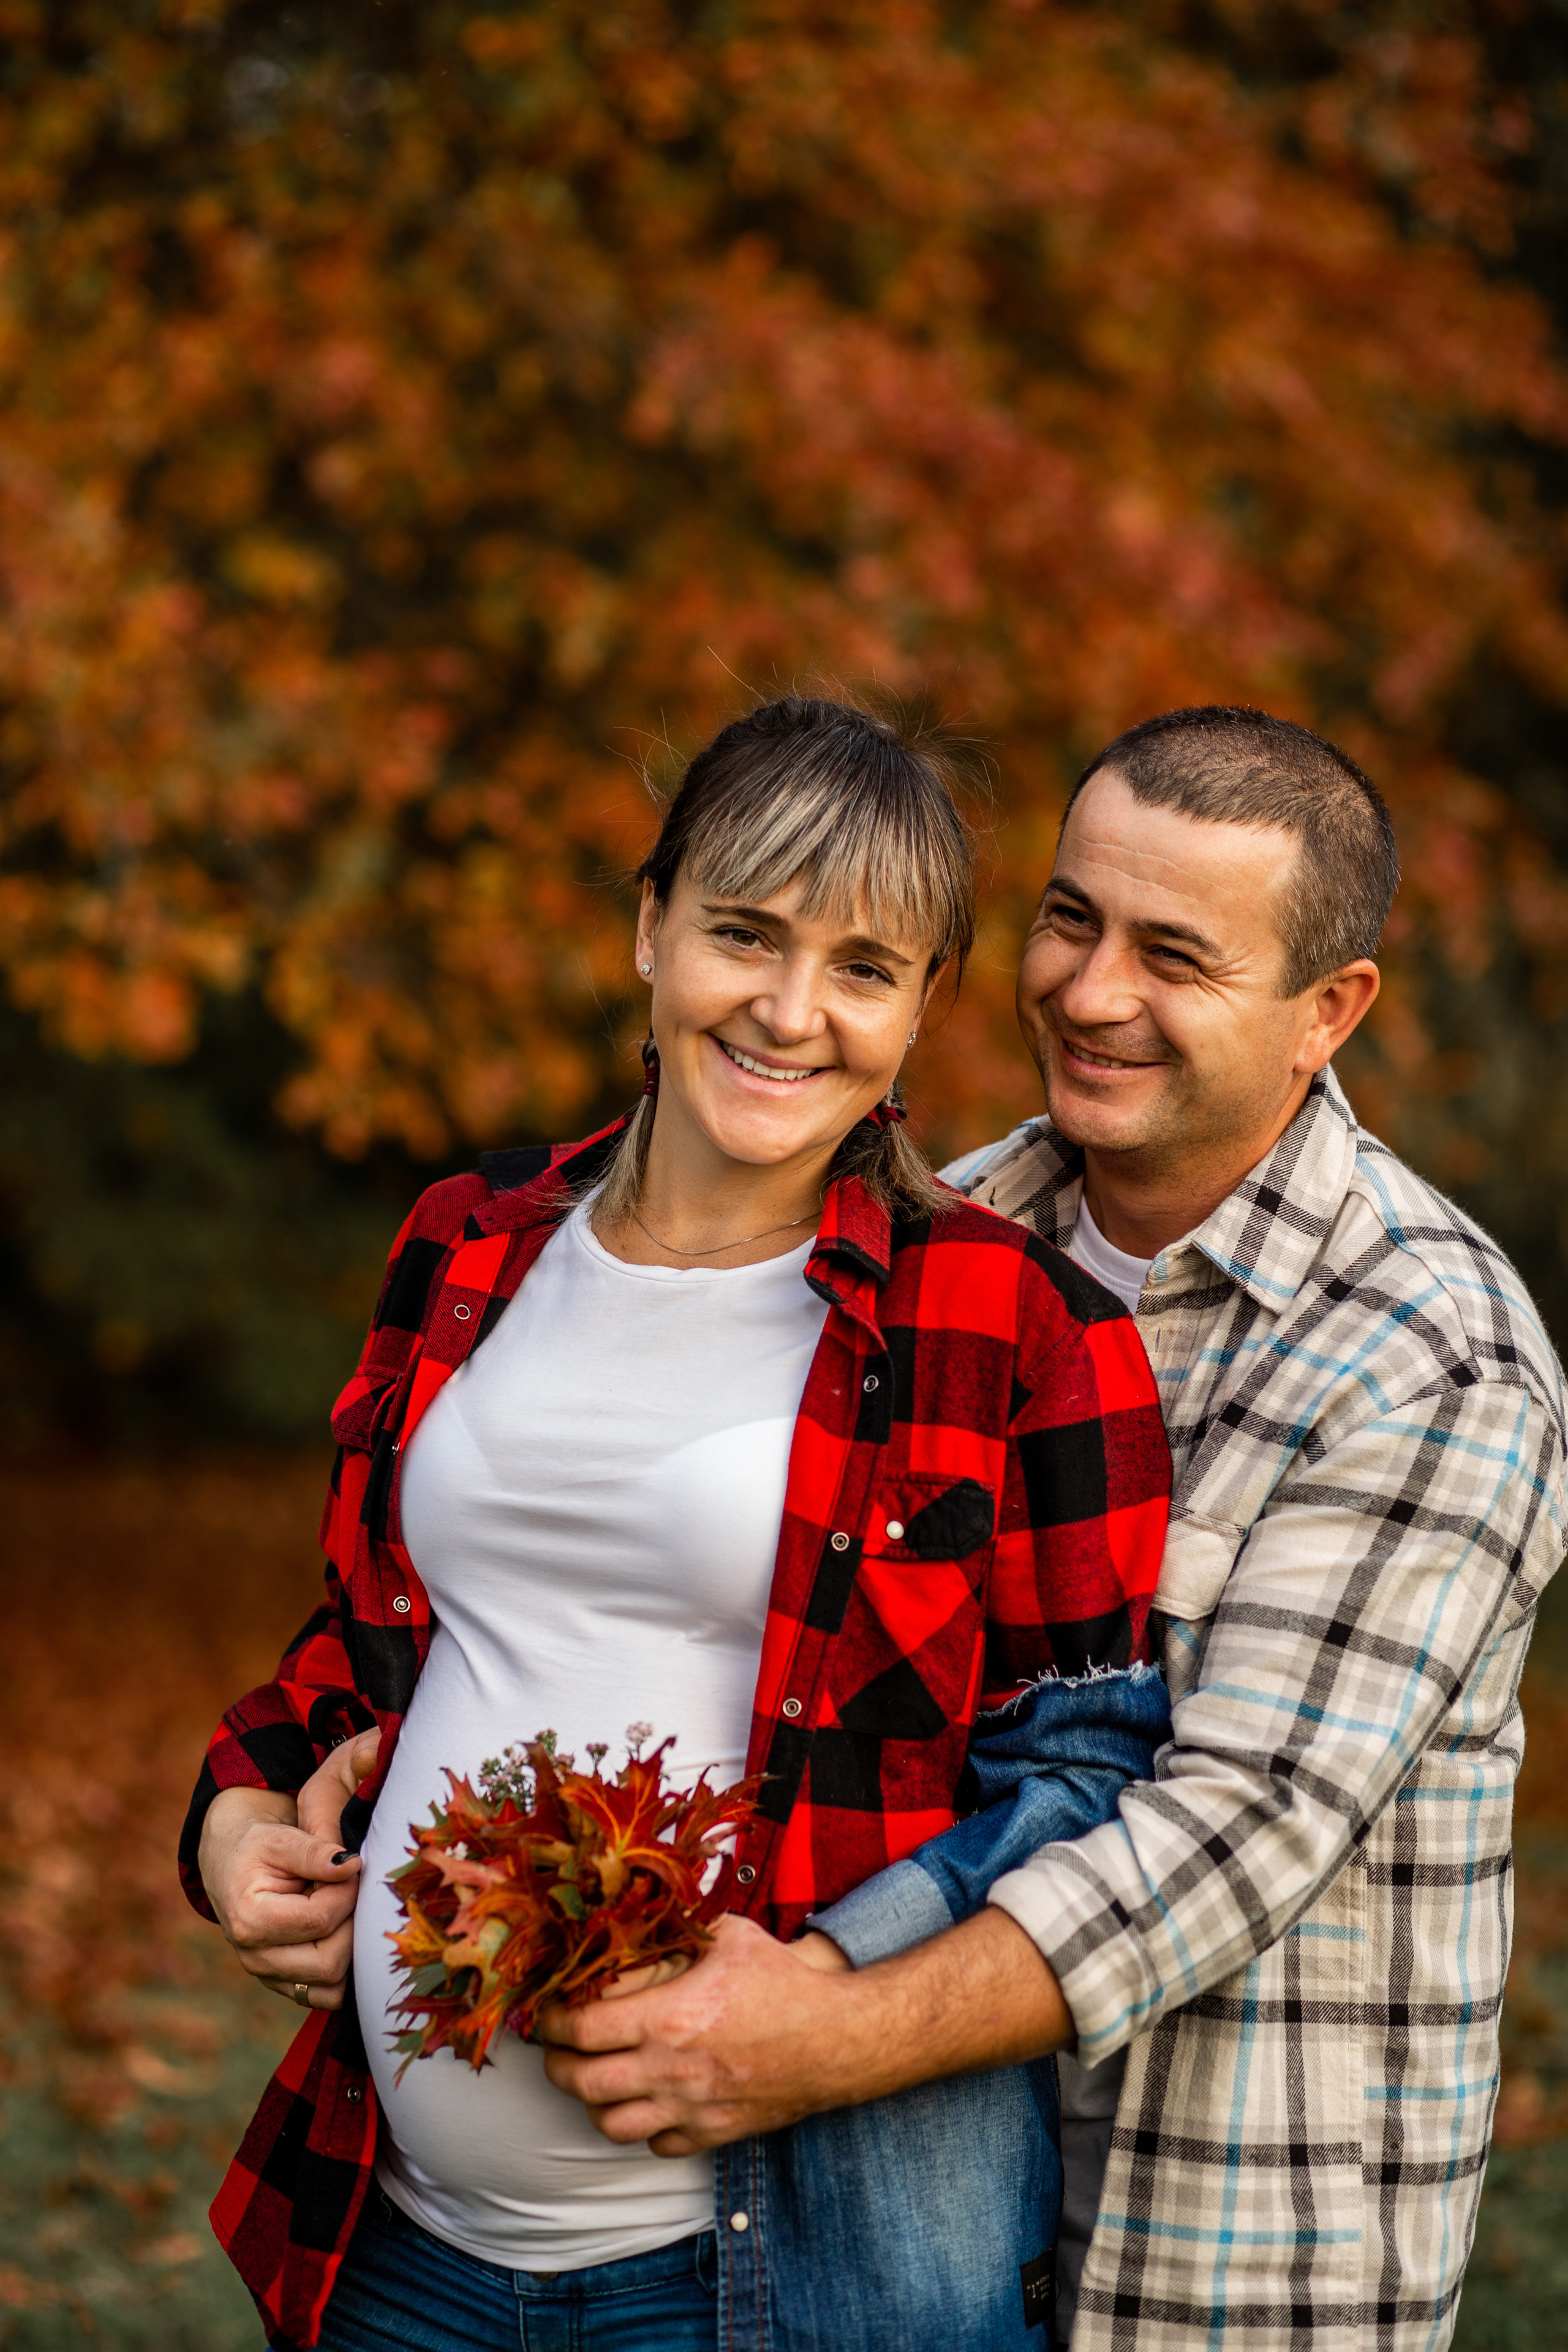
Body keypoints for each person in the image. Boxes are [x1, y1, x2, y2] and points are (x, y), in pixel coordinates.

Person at [537, 706, 1568, 2352]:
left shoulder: (1429, 1353)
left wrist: (818, 2035)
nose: (1090, 994)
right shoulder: (955, 1226)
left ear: (1330, 1012)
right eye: (1072, 918)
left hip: (1223, 2255)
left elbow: (1231, 1831)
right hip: (896, 2237)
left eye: (1176, 956)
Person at [180, 693, 1173, 2352]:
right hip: (390, 2242)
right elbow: (358, 1652)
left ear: (927, 1005)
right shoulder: (467, 1247)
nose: (792, 1013)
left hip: (774, 2275)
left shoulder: (1011, 1323)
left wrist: (825, 1989)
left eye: (864, 968)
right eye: (744, 934)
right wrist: (229, 1824)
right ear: (651, 929)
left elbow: (1086, 1783)